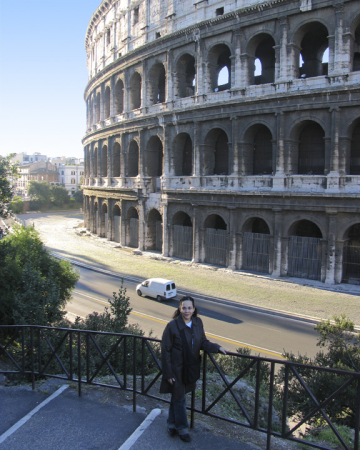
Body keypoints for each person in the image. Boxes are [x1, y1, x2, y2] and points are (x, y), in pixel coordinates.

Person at [160, 295, 227, 443]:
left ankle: (171, 424)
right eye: (184, 308)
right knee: (180, 398)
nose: (187, 311)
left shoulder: (198, 322)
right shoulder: (172, 326)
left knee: (178, 397)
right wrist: (168, 373)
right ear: (179, 308)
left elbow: (203, 342)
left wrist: (217, 348)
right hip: (176, 370)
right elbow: (165, 350)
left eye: (189, 308)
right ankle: (183, 429)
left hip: (190, 369)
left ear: (194, 309)